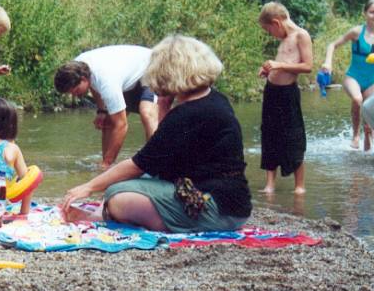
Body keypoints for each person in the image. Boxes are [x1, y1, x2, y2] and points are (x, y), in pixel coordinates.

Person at [60, 35, 252, 232]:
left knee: (117, 195)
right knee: (122, 184)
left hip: (217, 208)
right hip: (232, 202)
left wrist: (88, 186)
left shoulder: (188, 113)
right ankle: (101, 214)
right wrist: (163, 105)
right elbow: (162, 159)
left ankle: (165, 224)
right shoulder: (215, 99)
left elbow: (140, 163)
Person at [54, 45, 171, 169]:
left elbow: (122, 126)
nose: (74, 96)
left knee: (147, 112)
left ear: (83, 79)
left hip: (155, 66)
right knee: (108, 121)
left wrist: (107, 164)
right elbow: (93, 84)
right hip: (129, 75)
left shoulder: (106, 81)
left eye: (76, 90)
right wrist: (101, 111)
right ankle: (106, 164)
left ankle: (157, 162)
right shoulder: (77, 67)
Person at [323, 0, 374, 150]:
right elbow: (332, 45)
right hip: (353, 77)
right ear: (365, 13)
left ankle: (366, 148)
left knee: (369, 123)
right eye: (371, 12)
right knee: (357, 99)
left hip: (371, 81)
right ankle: (355, 135)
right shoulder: (356, 32)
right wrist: (328, 62)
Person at [257, 1, 313, 194]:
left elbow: (307, 66)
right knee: (269, 134)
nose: (270, 34)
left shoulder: (301, 35)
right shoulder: (284, 39)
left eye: (268, 30)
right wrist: (268, 70)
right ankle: (270, 184)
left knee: (294, 135)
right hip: (272, 91)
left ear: (276, 23)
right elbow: (283, 63)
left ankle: (299, 186)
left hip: (288, 94)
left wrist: (278, 66)